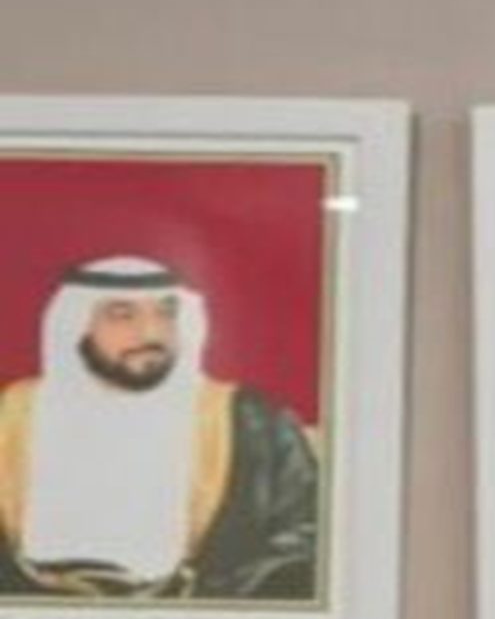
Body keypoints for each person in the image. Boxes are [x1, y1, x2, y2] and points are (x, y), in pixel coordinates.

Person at [0, 254, 320, 601]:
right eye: (122, 315)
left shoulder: (250, 422)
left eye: (166, 313)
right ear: (75, 326)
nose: (151, 333)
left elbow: (307, 539)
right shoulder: (11, 417)